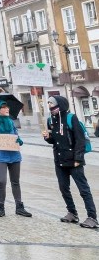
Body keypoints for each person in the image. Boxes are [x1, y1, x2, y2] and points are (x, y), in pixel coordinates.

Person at [43, 96, 97, 228]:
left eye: (51, 102)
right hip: (59, 160)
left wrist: (78, 159)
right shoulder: (51, 119)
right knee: (63, 188)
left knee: (83, 189)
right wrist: (48, 138)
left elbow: (80, 140)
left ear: (59, 104)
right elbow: (55, 141)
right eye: (48, 102)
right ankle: (72, 213)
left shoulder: (71, 117)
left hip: (74, 161)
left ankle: (92, 217)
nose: (49, 104)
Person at [0, 99, 30, 218]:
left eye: (7, 107)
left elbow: (15, 134)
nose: (7, 109)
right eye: (3, 107)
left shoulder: (10, 121)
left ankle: (19, 206)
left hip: (14, 155)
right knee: (1, 181)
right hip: (0, 156)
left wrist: (18, 139)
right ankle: (0, 206)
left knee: (15, 181)